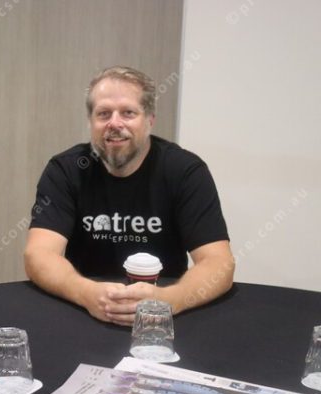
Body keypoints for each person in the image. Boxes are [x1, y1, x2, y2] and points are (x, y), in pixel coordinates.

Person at [24, 66, 234, 327]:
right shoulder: (66, 170)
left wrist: (169, 300)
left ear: (150, 120)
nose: (115, 123)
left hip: (163, 319)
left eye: (128, 113)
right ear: (91, 121)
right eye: (103, 113)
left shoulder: (185, 171)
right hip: (84, 311)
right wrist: (86, 293)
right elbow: (38, 254)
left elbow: (219, 263)